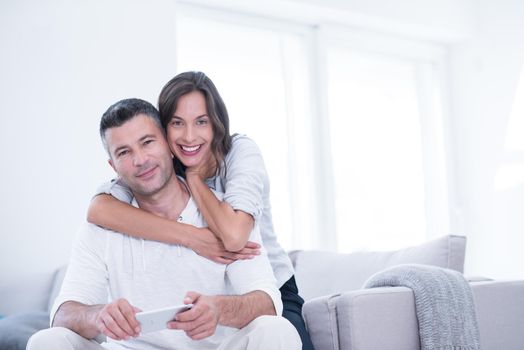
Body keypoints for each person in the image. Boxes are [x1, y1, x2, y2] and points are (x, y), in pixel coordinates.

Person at [26, 98, 301, 350]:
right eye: (124, 152)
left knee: (277, 330)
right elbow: (62, 314)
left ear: (170, 146)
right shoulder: (100, 226)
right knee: (47, 341)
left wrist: (220, 309)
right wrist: (98, 315)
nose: (140, 160)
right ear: (113, 167)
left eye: (147, 142)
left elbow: (268, 302)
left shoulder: (224, 215)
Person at [87, 72, 314, 349]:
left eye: (201, 122)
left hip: (270, 288)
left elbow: (233, 238)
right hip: (217, 289)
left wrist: (194, 178)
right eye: (177, 123)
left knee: (281, 335)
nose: (190, 136)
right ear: (164, 131)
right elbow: (99, 210)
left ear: (216, 125)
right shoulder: (160, 166)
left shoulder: (240, 153)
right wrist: (192, 237)